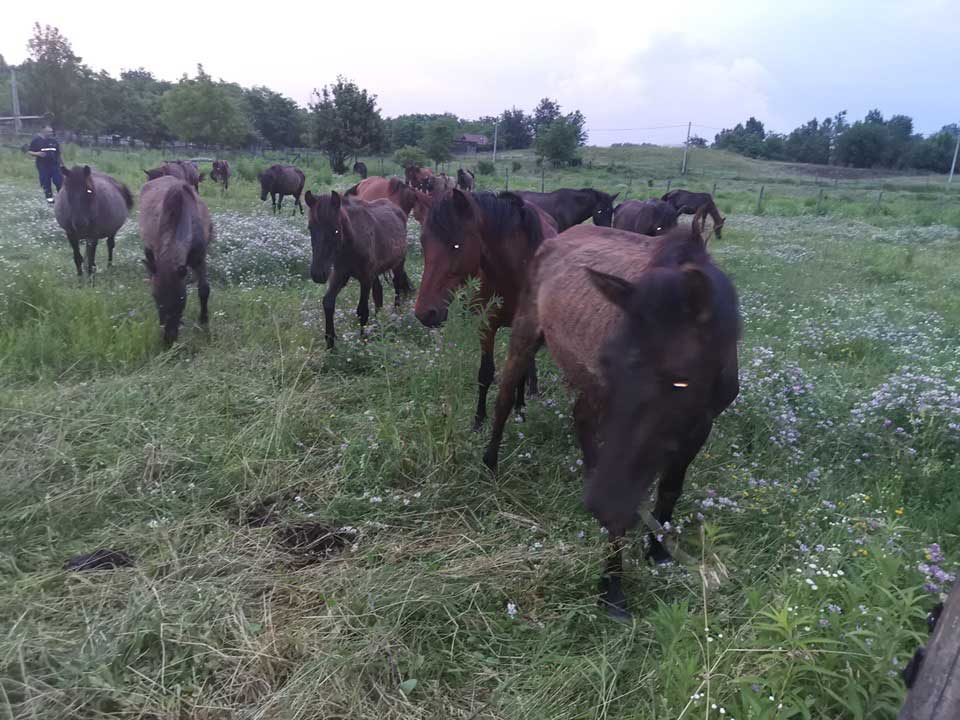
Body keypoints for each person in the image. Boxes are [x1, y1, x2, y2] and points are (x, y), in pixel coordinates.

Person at [27, 126, 63, 204]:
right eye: (49, 131)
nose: (51, 133)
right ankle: (50, 201)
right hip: (43, 166)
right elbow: (29, 151)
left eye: (51, 131)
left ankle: (62, 199)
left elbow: (58, 154)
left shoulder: (54, 141)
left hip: (54, 165)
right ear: (43, 131)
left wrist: (62, 165)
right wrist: (37, 153)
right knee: (46, 183)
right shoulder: (36, 141)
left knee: (58, 181)